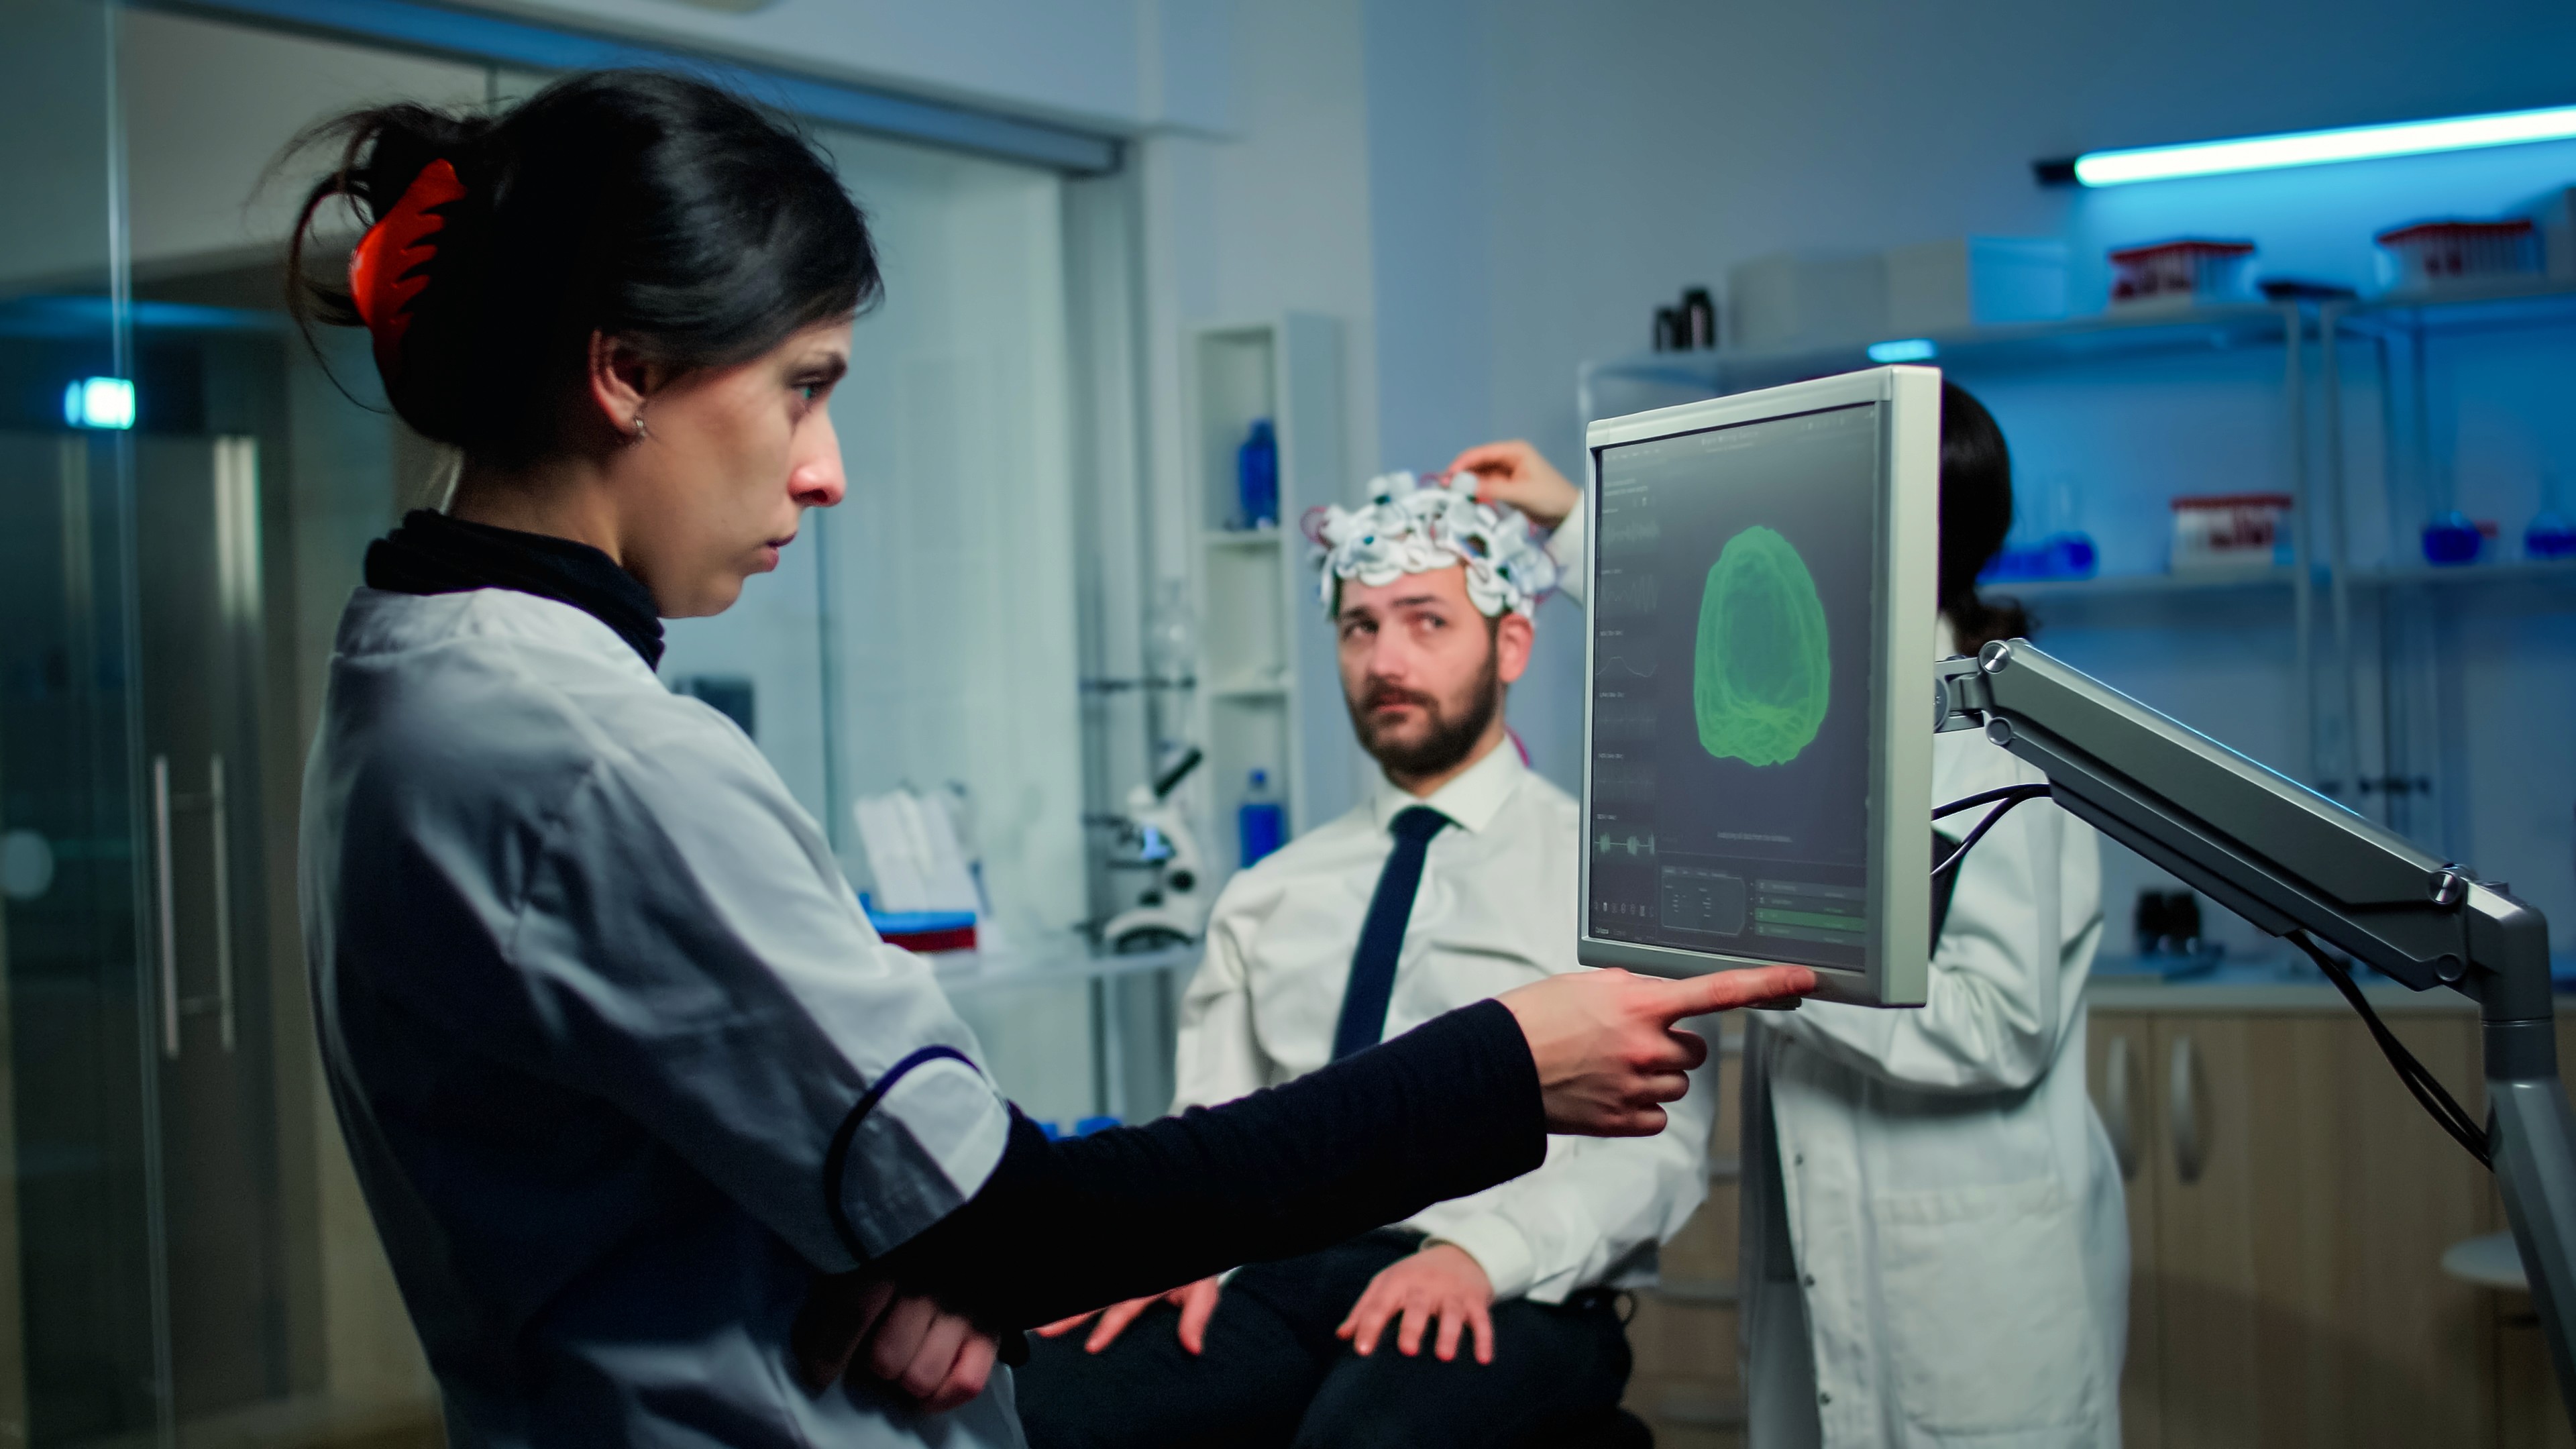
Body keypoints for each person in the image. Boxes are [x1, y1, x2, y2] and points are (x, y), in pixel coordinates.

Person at [286, 71, 1817, 1449]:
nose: (824, 472)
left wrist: (940, 1242)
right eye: (802, 385)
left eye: (1427, 620)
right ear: (623, 371)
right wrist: (1501, 1062)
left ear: (1510, 639)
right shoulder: (598, 760)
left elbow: (870, 1183)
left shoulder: (415, 687)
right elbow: (1023, 1220)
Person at [1454, 384, 2124, 1448]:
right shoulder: (1827, 697)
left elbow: (2002, 1026)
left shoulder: (1993, 747)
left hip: (1965, 1272)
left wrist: (1760, 952)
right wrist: (1568, 518)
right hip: (1828, 1253)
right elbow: (1680, 636)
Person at [1016, 474, 1702, 1448]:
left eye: (1426, 622)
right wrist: (1172, 1248)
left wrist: (1481, 1254)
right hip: (1276, 1276)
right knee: (1041, 1407)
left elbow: (1661, 1153)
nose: (1386, 659)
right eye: (1359, 627)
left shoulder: (1609, 876)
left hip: (1510, 1287)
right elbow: (1211, 1123)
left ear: (1511, 643)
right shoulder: (1268, 892)